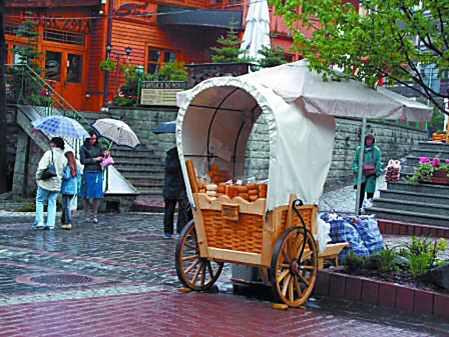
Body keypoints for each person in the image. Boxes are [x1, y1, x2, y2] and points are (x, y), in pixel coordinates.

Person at [34, 137, 67, 230]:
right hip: (57, 183)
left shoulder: (49, 153)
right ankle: (50, 223)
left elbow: (42, 167)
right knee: (52, 202)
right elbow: (63, 170)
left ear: (54, 144)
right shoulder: (64, 156)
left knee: (40, 200)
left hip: (46, 181)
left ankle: (40, 221)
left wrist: (38, 177)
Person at [163, 147, 192, 238]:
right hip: (180, 186)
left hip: (170, 186)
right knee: (182, 211)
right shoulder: (181, 153)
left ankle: (168, 231)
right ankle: (181, 231)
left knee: (170, 210)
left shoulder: (169, 155)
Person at [79, 133, 109, 224]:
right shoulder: (83, 148)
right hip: (88, 172)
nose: (93, 141)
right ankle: (86, 214)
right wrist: (95, 159)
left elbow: (103, 159)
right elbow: (82, 161)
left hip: (97, 172)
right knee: (85, 194)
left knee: (97, 195)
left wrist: (106, 155)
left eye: (95, 139)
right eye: (91, 139)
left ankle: (95, 215)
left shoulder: (99, 147)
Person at [353, 134, 383, 213]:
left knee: (370, 194)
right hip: (361, 174)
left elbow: (378, 162)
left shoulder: (376, 150)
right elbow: (355, 161)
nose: (369, 142)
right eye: (367, 140)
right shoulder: (360, 149)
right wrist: (356, 169)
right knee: (360, 193)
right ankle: (358, 210)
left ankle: (368, 210)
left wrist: (376, 172)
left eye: (370, 140)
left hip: (371, 175)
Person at [60, 150, 80, 230]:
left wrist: (61, 172)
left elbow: (67, 176)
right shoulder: (75, 167)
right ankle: (64, 221)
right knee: (66, 206)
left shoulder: (68, 167)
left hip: (66, 189)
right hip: (73, 190)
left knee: (66, 206)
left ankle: (68, 222)